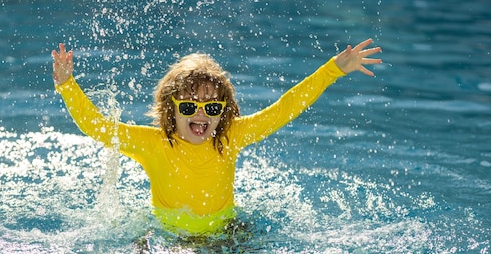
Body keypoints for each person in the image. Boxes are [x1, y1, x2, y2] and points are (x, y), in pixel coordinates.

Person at [51, 39, 382, 236]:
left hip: (225, 233)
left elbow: (285, 108)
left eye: (212, 107)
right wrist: (67, 85)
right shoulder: (153, 144)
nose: (201, 114)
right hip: (169, 234)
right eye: (190, 105)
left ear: (224, 111)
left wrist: (334, 69)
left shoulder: (230, 137)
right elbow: (96, 125)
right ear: (171, 109)